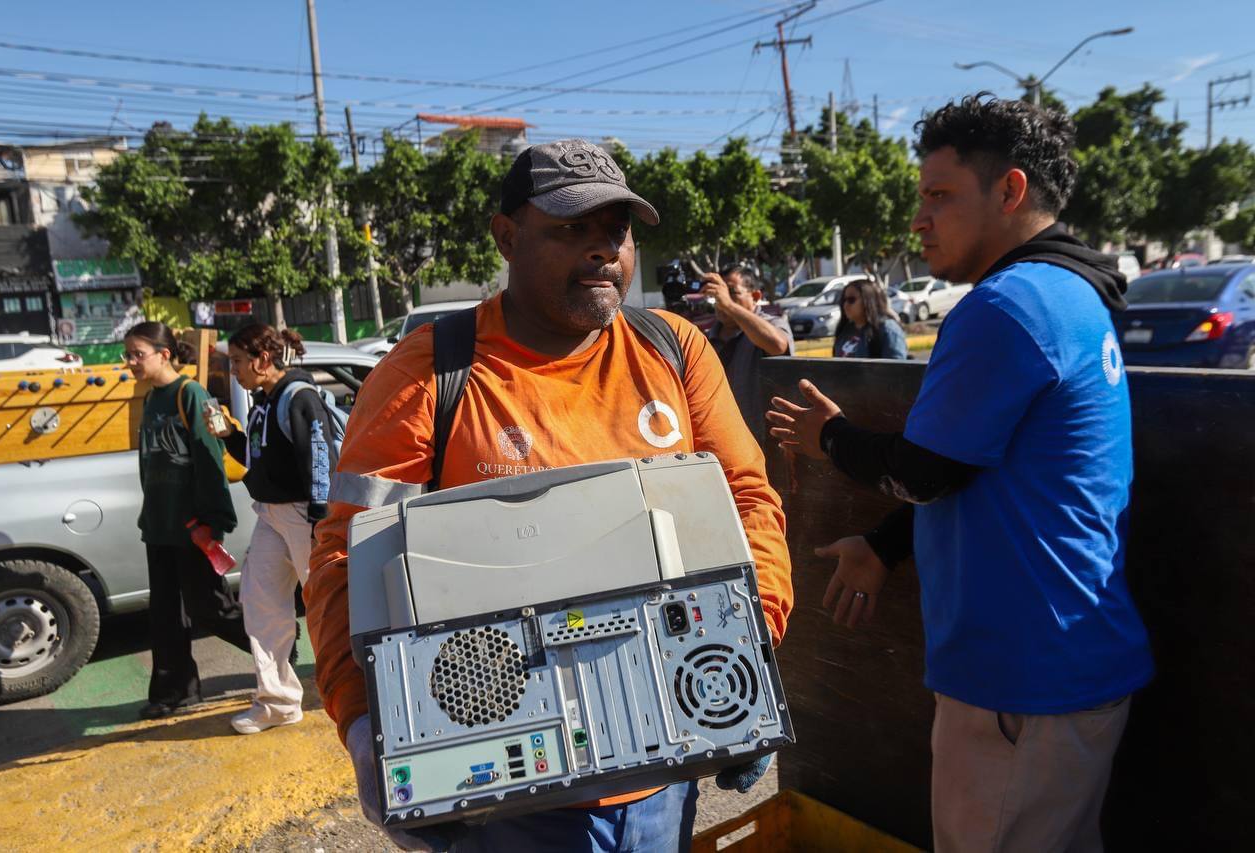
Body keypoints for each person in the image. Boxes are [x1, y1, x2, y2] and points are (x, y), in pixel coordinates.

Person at [304, 138, 793, 852]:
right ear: (507, 236)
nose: (604, 251)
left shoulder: (674, 350)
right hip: (505, 800)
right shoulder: (425, 378)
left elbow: (750, 502)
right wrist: (359, 722)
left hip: (663, 775)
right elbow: (346, 558)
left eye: (616, 232)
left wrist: (755, 638)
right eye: (572, 229)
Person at [768, 95, 1153, 852]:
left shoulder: (1010, 305)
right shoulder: (1069, 293)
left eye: (939, 196)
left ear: (1009, 191)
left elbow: (926, 470)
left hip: (1023, 681)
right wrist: (884, 543)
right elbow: (984, 468)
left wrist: (830, 438)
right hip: (1062, 665)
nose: (919, 219)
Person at [203, 323, 337, 735]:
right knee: (260, 603)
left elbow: (319, 460)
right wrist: (228, 437)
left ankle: (358, 689)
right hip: (272, 515)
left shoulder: (299, 397)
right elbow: (257, 457)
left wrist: (320, 520)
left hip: (302, 516)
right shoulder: (265, 399)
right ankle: (278, 701)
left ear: (263, 360)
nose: (235, 371)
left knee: (329, 609)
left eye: (240, 362)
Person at [123, 321, 251, 720]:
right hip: (159, 525)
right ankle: (174, 691)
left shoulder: (190, 394)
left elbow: (210, 460)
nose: (130, 363)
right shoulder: (150, 398)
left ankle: (278, 645)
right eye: (127, 355)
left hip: (192, 526)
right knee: (164, 614)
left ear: (164, 354)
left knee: (209, 607)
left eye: (136, 354)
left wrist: (211, 522)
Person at [700, 263, 794, 439]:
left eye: (732, 292)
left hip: (765, 441)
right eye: (720, 292)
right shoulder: (705, 337)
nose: (722, 299)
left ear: (756, 296)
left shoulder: (772, 323)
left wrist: (729, 305)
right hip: (722, 438)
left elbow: (778, 345)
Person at [831, 279, 907, 360]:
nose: (845, 305)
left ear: (868, 300)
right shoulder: (845, 330)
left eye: (851, 300)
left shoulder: (887, 329)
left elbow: (896, 369)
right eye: (843, 300)